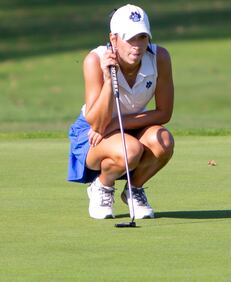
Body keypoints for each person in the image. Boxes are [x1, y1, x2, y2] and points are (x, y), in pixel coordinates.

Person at [67, 4, 174, 220]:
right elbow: (96, 123)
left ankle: (134, 189)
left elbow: (164, 113)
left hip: (130, 126)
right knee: (130, 150)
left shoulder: (159, 57)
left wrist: (117, 124)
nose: (137, 46)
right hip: (92, 131)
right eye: (130, 38)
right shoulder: (95, 60)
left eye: (142, 37)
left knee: (163, 141)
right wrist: (108, 80)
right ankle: (102, 187)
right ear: (114, 39)